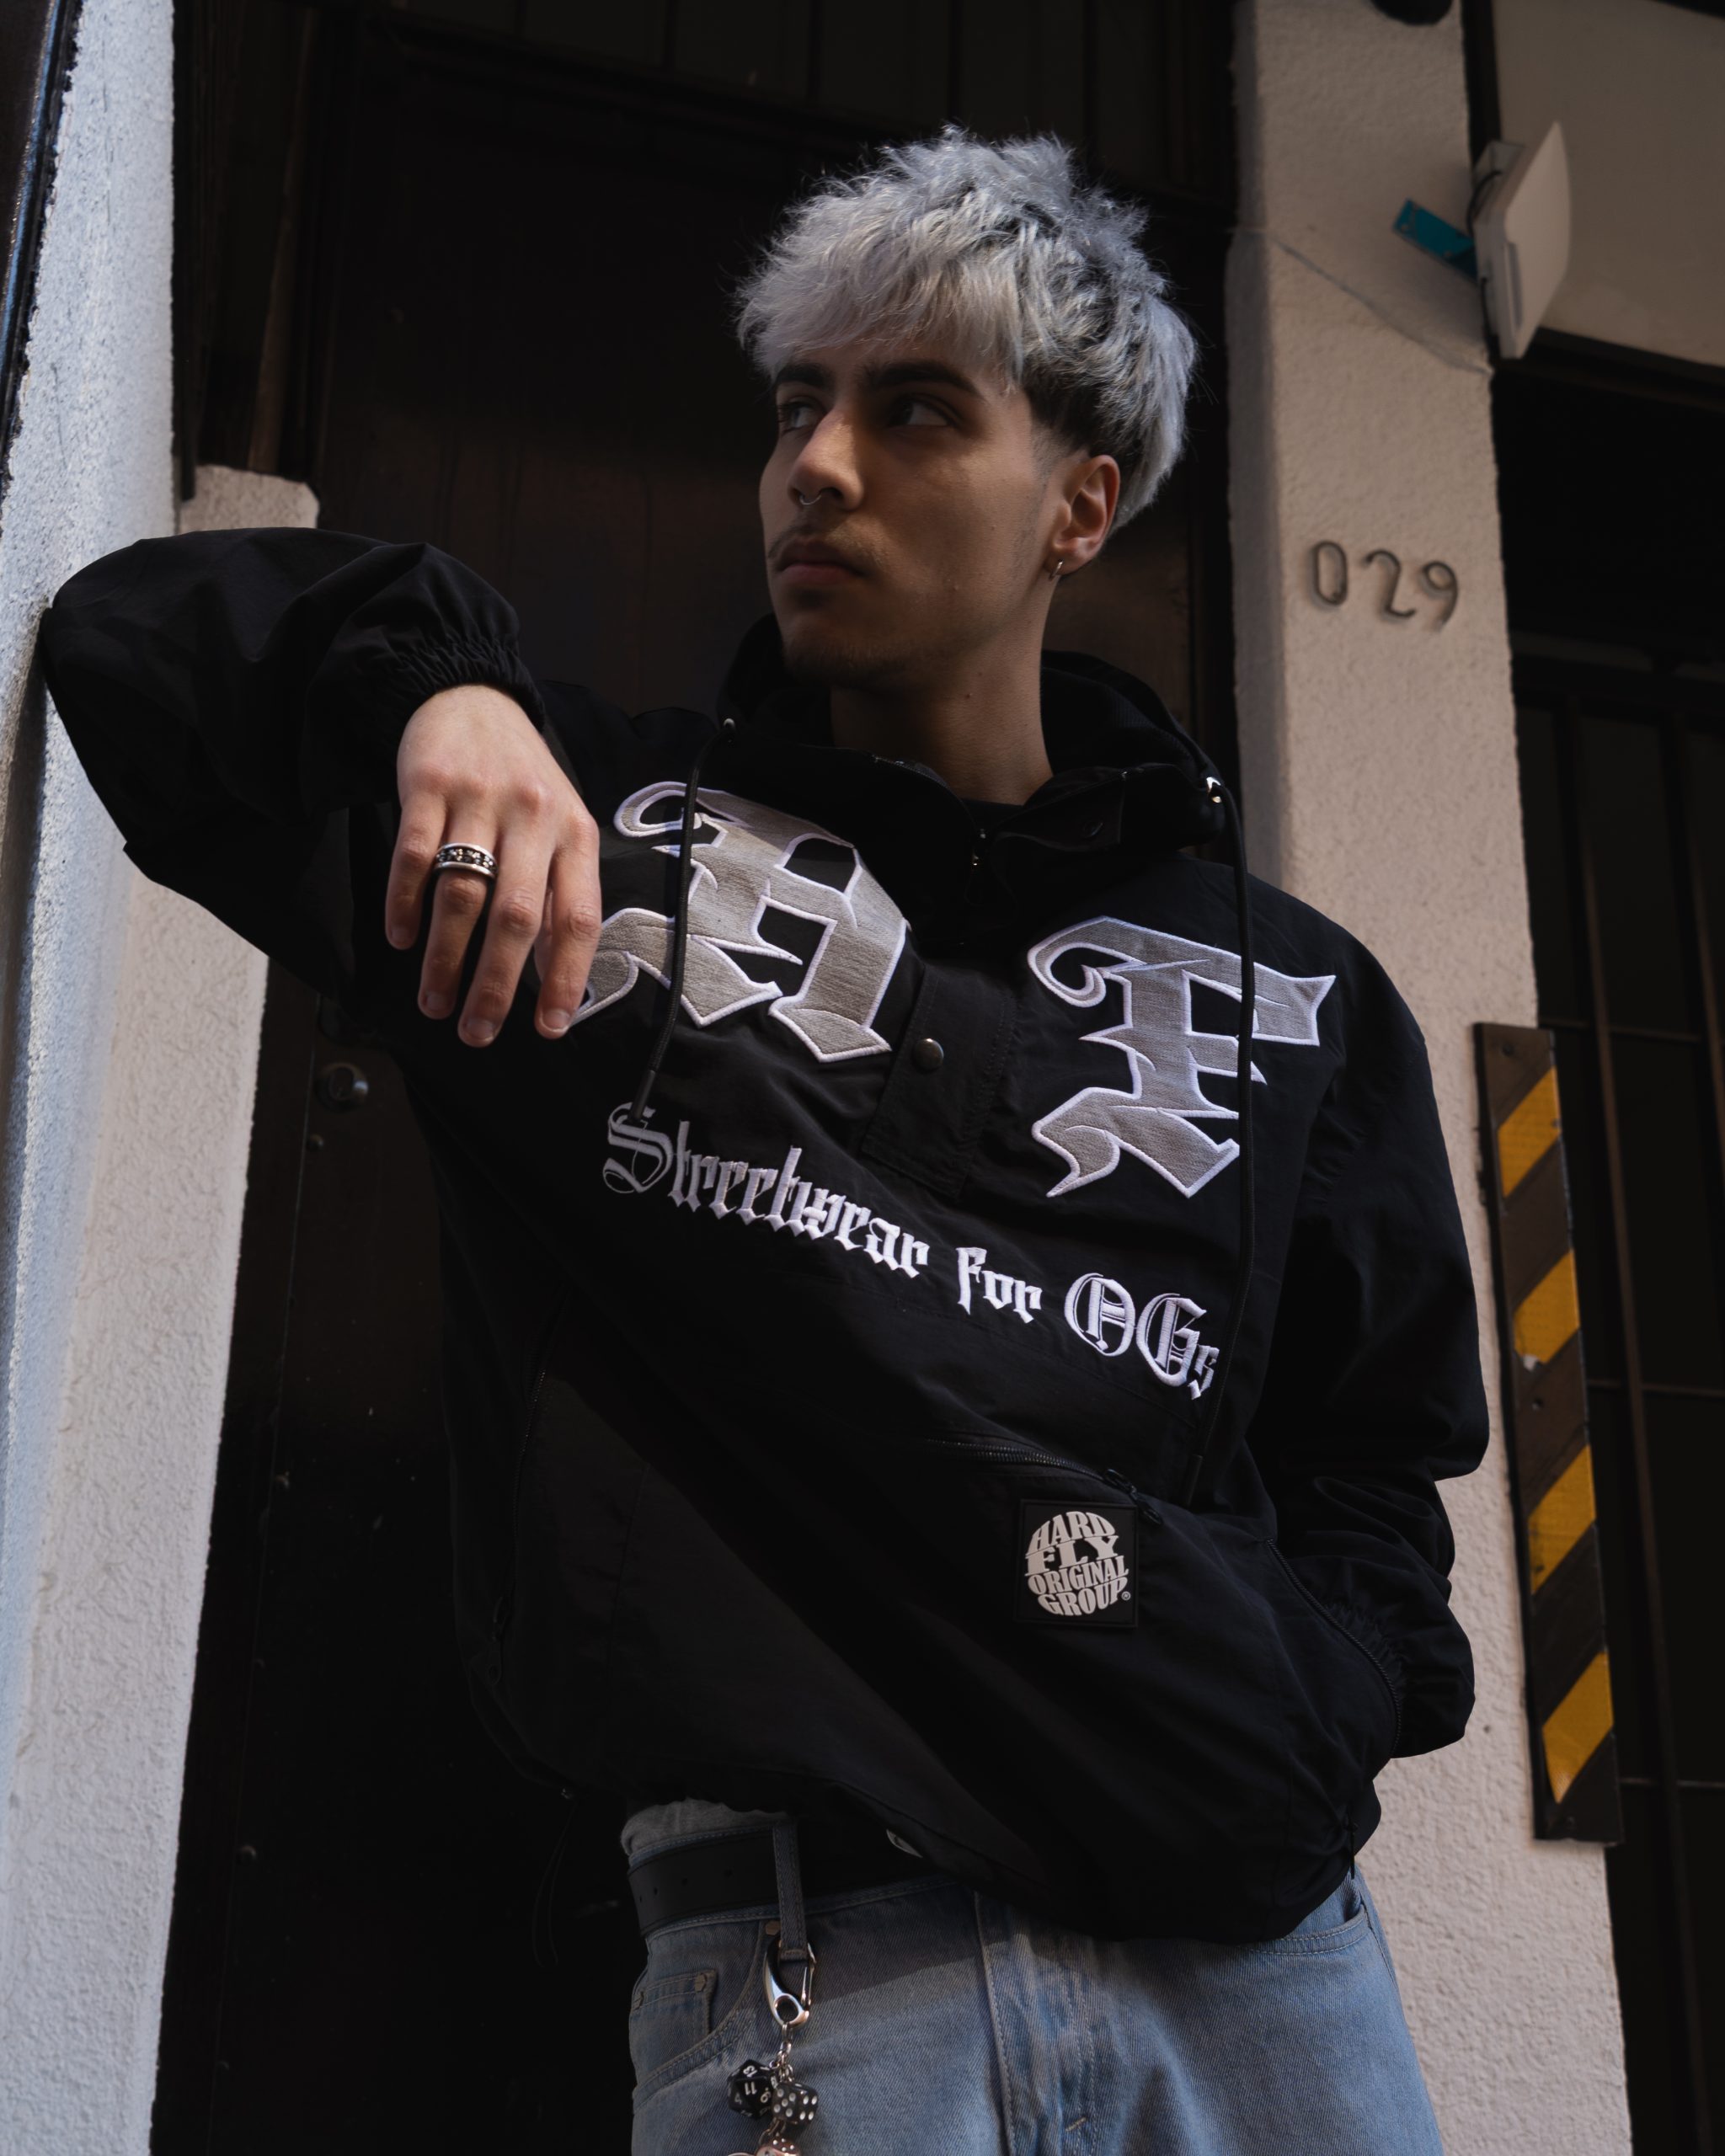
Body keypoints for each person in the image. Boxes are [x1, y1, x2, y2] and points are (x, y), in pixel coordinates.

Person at [38, 128, 1483, 2153]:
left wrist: (1294, 1721)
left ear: (1080, 502)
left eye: (915, 411)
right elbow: (130, 641)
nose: (818, 466)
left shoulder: (1293, 994)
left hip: (1258, 1985)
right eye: (798, 406)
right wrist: (438, 685)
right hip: (815, 1976)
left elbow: (1372, 1472)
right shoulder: (592, 846)